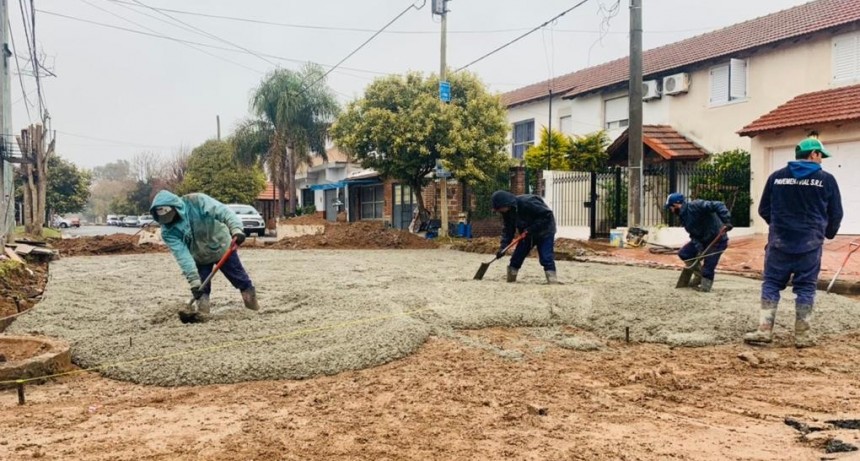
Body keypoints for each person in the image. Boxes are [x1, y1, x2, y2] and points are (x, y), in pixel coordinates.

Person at [745, 137, 842, 348]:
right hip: (809, 245)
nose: (821, 161)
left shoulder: (776, 177)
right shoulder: (826, 180)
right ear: (813, 154)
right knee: (806, 287)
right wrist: (827, 233)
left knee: (771, 284)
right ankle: (802, 336)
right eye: (821, 156)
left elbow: (763, 209)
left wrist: (779, 226)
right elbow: (836, 213)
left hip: (779, 243)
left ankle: (763, 331)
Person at [149, 190, 259, 314]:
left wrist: (236, 229)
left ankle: (253, 307)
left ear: (176, 207)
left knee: (241, 279)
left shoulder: (197, 201)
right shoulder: (167, 231)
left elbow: (222, 211)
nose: (170, 221)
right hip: (199, 257)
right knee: (201, 288)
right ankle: (202, 313)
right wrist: (194, 282)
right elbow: (182, 256)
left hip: (222, 246)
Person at [664, 193, 733, 292]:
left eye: (670, 207)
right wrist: (700, 249)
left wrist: (727, 221)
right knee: (685, 253)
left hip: (717, 240)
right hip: (702, 241)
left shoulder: (697, 205)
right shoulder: (683, 217)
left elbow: (719, 204)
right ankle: (699, 275)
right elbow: (693, 235)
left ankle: (705, 287)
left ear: (676, 205)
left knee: (708, 267)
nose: (670, 210)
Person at [490, 190, 560, 284]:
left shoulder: (527, 202)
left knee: (546, 257)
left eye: (500, 209)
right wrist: (503, 248)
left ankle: (552, 281)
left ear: (506, 203)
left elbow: (547, 215)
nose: (500, 211)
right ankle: (511, 279)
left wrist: (531, 229)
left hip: (545, 231)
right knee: (517, 257)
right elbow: (508, 230)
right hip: (527, 234)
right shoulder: (507, 213)